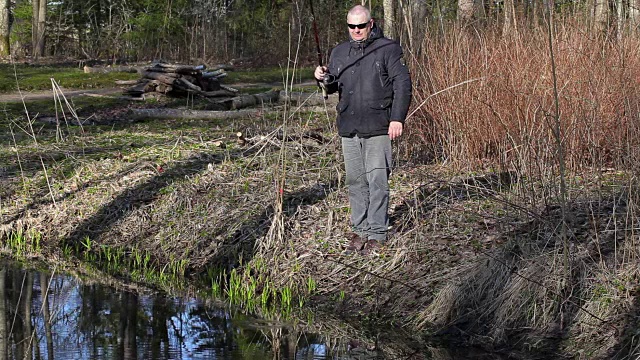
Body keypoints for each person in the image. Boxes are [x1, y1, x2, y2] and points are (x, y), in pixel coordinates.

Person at [314, 5, 412, 253]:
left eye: (361, 25)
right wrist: (321, 78)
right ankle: (359, 230)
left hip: (379, 125)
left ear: (371, 23)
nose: (356, 30)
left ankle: (377, 233)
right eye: (352, 26)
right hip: (349, 126)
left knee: (377, 180)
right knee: (355, 181)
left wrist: (397, 118)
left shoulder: (388, 49)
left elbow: (403, 85)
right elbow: (333, 85)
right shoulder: (339, 52)